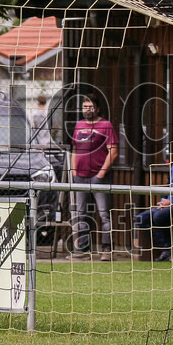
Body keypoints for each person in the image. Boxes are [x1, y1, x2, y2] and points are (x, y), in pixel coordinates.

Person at [68, 94, 119, 260]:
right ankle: (83, 250)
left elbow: (113, 151)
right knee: (81, 214)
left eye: (90, 107)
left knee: (104, 214)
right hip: (80, 178)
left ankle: (106, 250)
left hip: (99, 178)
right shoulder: (79, 125)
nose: (87, 110)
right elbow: (75, 150)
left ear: (97, 108)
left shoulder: (106, 125)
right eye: (85, 107)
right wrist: (74, 171)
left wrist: (101, 173)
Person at [133, 136, 173, 262]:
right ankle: (164, 248)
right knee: (141, 218)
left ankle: (168, 250)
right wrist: (164, 200)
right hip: (168, 203)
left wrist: (172, 202)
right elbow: (168, 184)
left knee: (158, 217)